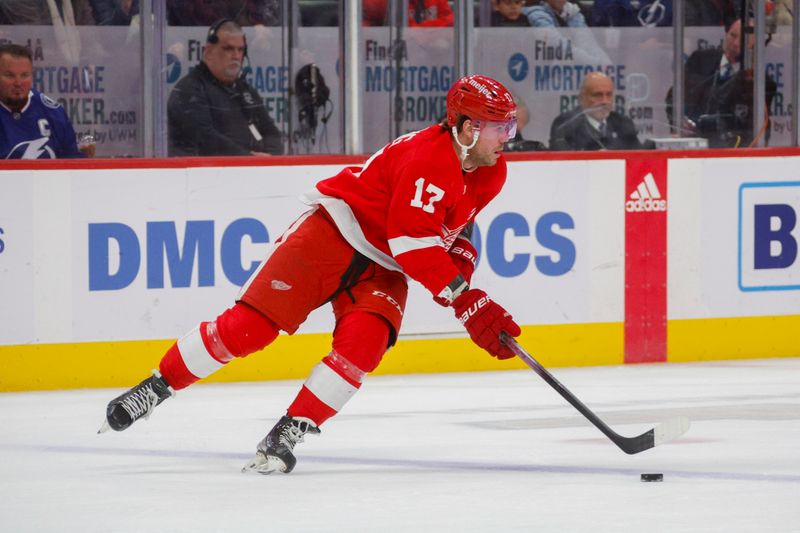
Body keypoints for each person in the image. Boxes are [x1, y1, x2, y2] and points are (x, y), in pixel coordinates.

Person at [100, 74, 523, 475]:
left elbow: (453, 228)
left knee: (365, 345)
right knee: (250, 328)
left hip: (383, 267)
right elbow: (412, 244)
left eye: (509, 127)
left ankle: (289, 431)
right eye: (500, 128)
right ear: (468, 128)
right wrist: (466, 301)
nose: (509, 137)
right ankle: (156, 387)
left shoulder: (492, 170)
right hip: (334, 234)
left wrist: (462, 265)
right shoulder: (428, 158)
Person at [167, 19, 283, 156]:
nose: (236, 56)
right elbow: (205, 140)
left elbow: (272, 134)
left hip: (252, 173)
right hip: (202, 175)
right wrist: (249, 159)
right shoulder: (189, 89)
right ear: (209, 52)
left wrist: (269, 159)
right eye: (228, 48)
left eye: (241, 50)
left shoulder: (245, 91)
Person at [667, 16, 777, 148]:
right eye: (733, 35)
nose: (735, 44)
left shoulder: (758, 81)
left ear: (754, 45)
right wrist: (679, 122)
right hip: (692, 146)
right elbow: (673, 96)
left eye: (743, 40)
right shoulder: (700, 60)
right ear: (726, 33)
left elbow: (755, 128)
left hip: (728, 151)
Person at [0, 43, 87, 159]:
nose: (18, 83)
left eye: (24, 75)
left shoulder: (53, 113)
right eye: (9, 75)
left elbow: (72, 167)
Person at [549, 71, 646, 151]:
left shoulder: (623, 123)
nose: (604, 101)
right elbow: (561, 163)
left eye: (609, 95)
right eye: (598, 95)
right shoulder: (565, 124)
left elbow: (639, 160)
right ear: (581, 99)